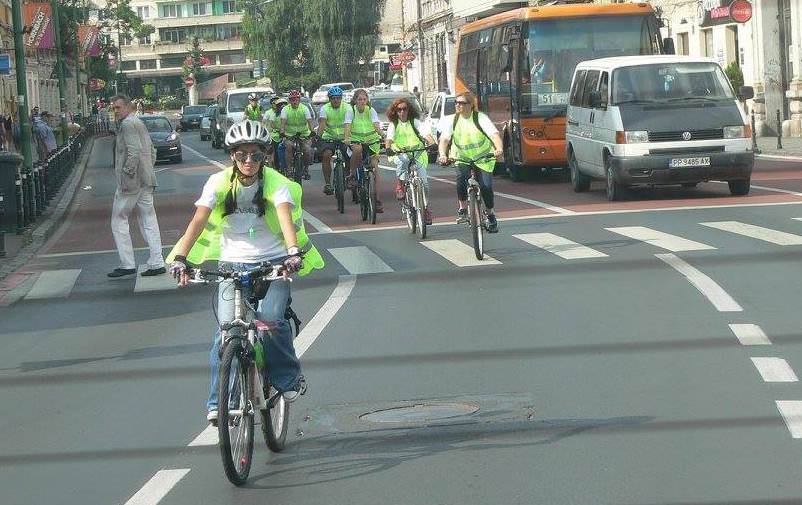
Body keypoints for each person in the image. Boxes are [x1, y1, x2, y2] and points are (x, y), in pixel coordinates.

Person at [165, 119, 325, 424]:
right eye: (242, 155)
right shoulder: (218, 183)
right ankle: (219, 402)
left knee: (273, 321)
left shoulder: (275, 183)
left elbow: (285, 217)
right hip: (232, 265)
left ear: (264, 155)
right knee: (225, 334)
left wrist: (292, 253)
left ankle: (288, 378)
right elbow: (197, 222)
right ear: (232, 156)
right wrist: (181, 258)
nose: (248, 161)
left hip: (273, 264)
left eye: (255, 154)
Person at [108, 94, 166, 278]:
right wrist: (147, 169)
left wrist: (128, 173)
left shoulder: (126, 125)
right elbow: (152, 150)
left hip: (132, 182)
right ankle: (157, 262)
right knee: (148, 220)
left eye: (118, 107)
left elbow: (133, 151)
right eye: (114, 108)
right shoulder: (138, 122)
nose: (115, 111)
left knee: (118, 220)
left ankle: (127, 264)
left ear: (127, 107)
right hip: (146, 180)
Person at [437, 91, 504, 233]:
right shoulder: (452, 120)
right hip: (461, 157)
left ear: (470, 105)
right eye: (456, 103)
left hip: (483, 157)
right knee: (461, 178)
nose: (458, 105)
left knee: (486, 186)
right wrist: (443, 154)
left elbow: (494, 135)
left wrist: (498, 148)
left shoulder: (480, 118)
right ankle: (462, 208)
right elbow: (444, 140)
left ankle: (491, 215)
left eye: (461, 103)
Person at [385, 97, 435, 224]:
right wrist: (388, 148)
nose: (402, 112)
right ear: (395, 112)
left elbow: (425, 134)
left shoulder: (415, 122)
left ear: (409, 110)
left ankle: (425, 209)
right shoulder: (394, 124)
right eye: (399, 110)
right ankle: (400, 185)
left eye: (404, 109)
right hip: (400, 152)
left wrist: (432, 143)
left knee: (424, 183)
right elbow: (389, 139)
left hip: (417, 153)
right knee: (404, 161)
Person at [344, 88, 385, 213]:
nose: (362, 102)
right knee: (357, 149)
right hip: (356, 141)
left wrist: (382, 135)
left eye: (364, 99)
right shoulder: (351, 111)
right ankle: (352, 174)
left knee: (375, 168)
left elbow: (376, 126)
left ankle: (377, 201)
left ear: (367, 100)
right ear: (355, 101)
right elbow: (347, 126)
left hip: (372, 142)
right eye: (360, 99)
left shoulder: (370, 110)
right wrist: (347, 138)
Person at [316, 86, 352, 195]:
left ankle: (348, 177)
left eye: (338, 98)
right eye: (333, 98)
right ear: (329, 99)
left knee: (349, 155)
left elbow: (347, 124)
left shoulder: (347, 107)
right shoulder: (325, 108)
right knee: (326, 155)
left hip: (344, 137)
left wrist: (346, 139)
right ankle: (328, 184)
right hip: (329, 137)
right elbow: (322, 124)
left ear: (341, 98)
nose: (336, 100)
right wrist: (318, 137)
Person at [279, 89, 313, 180]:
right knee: (289, 147)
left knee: (307, 150)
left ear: (299, 100)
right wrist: (282, 132)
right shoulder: (285, 109)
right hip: (289, 134)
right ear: (289, 101)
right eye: (292, 99)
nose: (294, 101)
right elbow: (283, 123)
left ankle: (306, 169)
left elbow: (309, 121)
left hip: (304, 133)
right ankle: (289, 170)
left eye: (296, 99)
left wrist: (312, 132)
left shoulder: (304, 108)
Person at [263, 96, 287, 172]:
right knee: (276, 150)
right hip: (276, 135)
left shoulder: (289, 113)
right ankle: (277, 167)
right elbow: (269, 124)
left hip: (289, 134)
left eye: (284, 105)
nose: (282, 107)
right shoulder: (272, 114)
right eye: (280, 105)